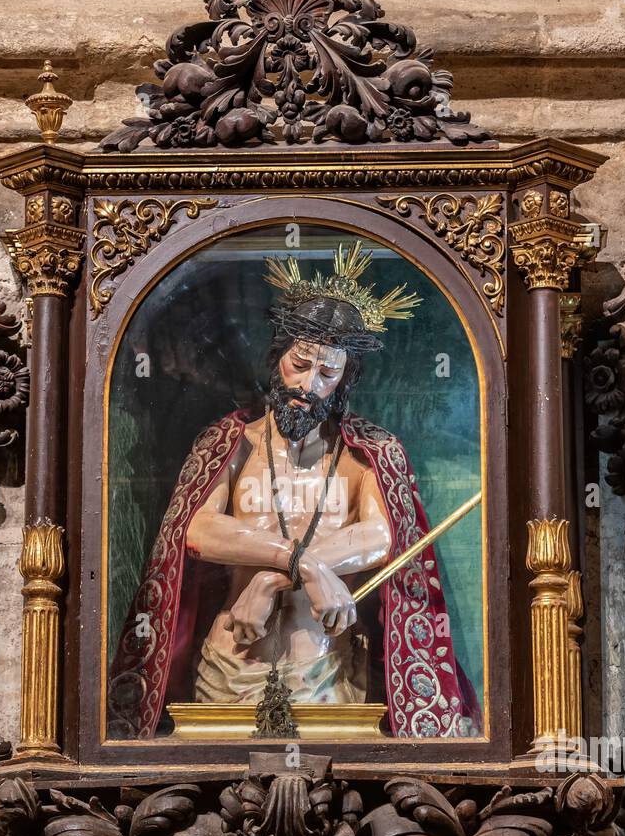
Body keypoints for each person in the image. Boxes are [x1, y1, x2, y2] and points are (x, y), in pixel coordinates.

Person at [109, 243, 480, 739]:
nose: (308, 383)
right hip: (231, 666)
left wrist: (269, 580)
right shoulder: (230, 445)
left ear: (345, 380)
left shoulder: (367, 454)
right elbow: (196, 530)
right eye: (299, 364)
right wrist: (302, 565)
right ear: (277, 358)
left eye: (327, 373)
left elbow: (383, 537)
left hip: (326, 672)